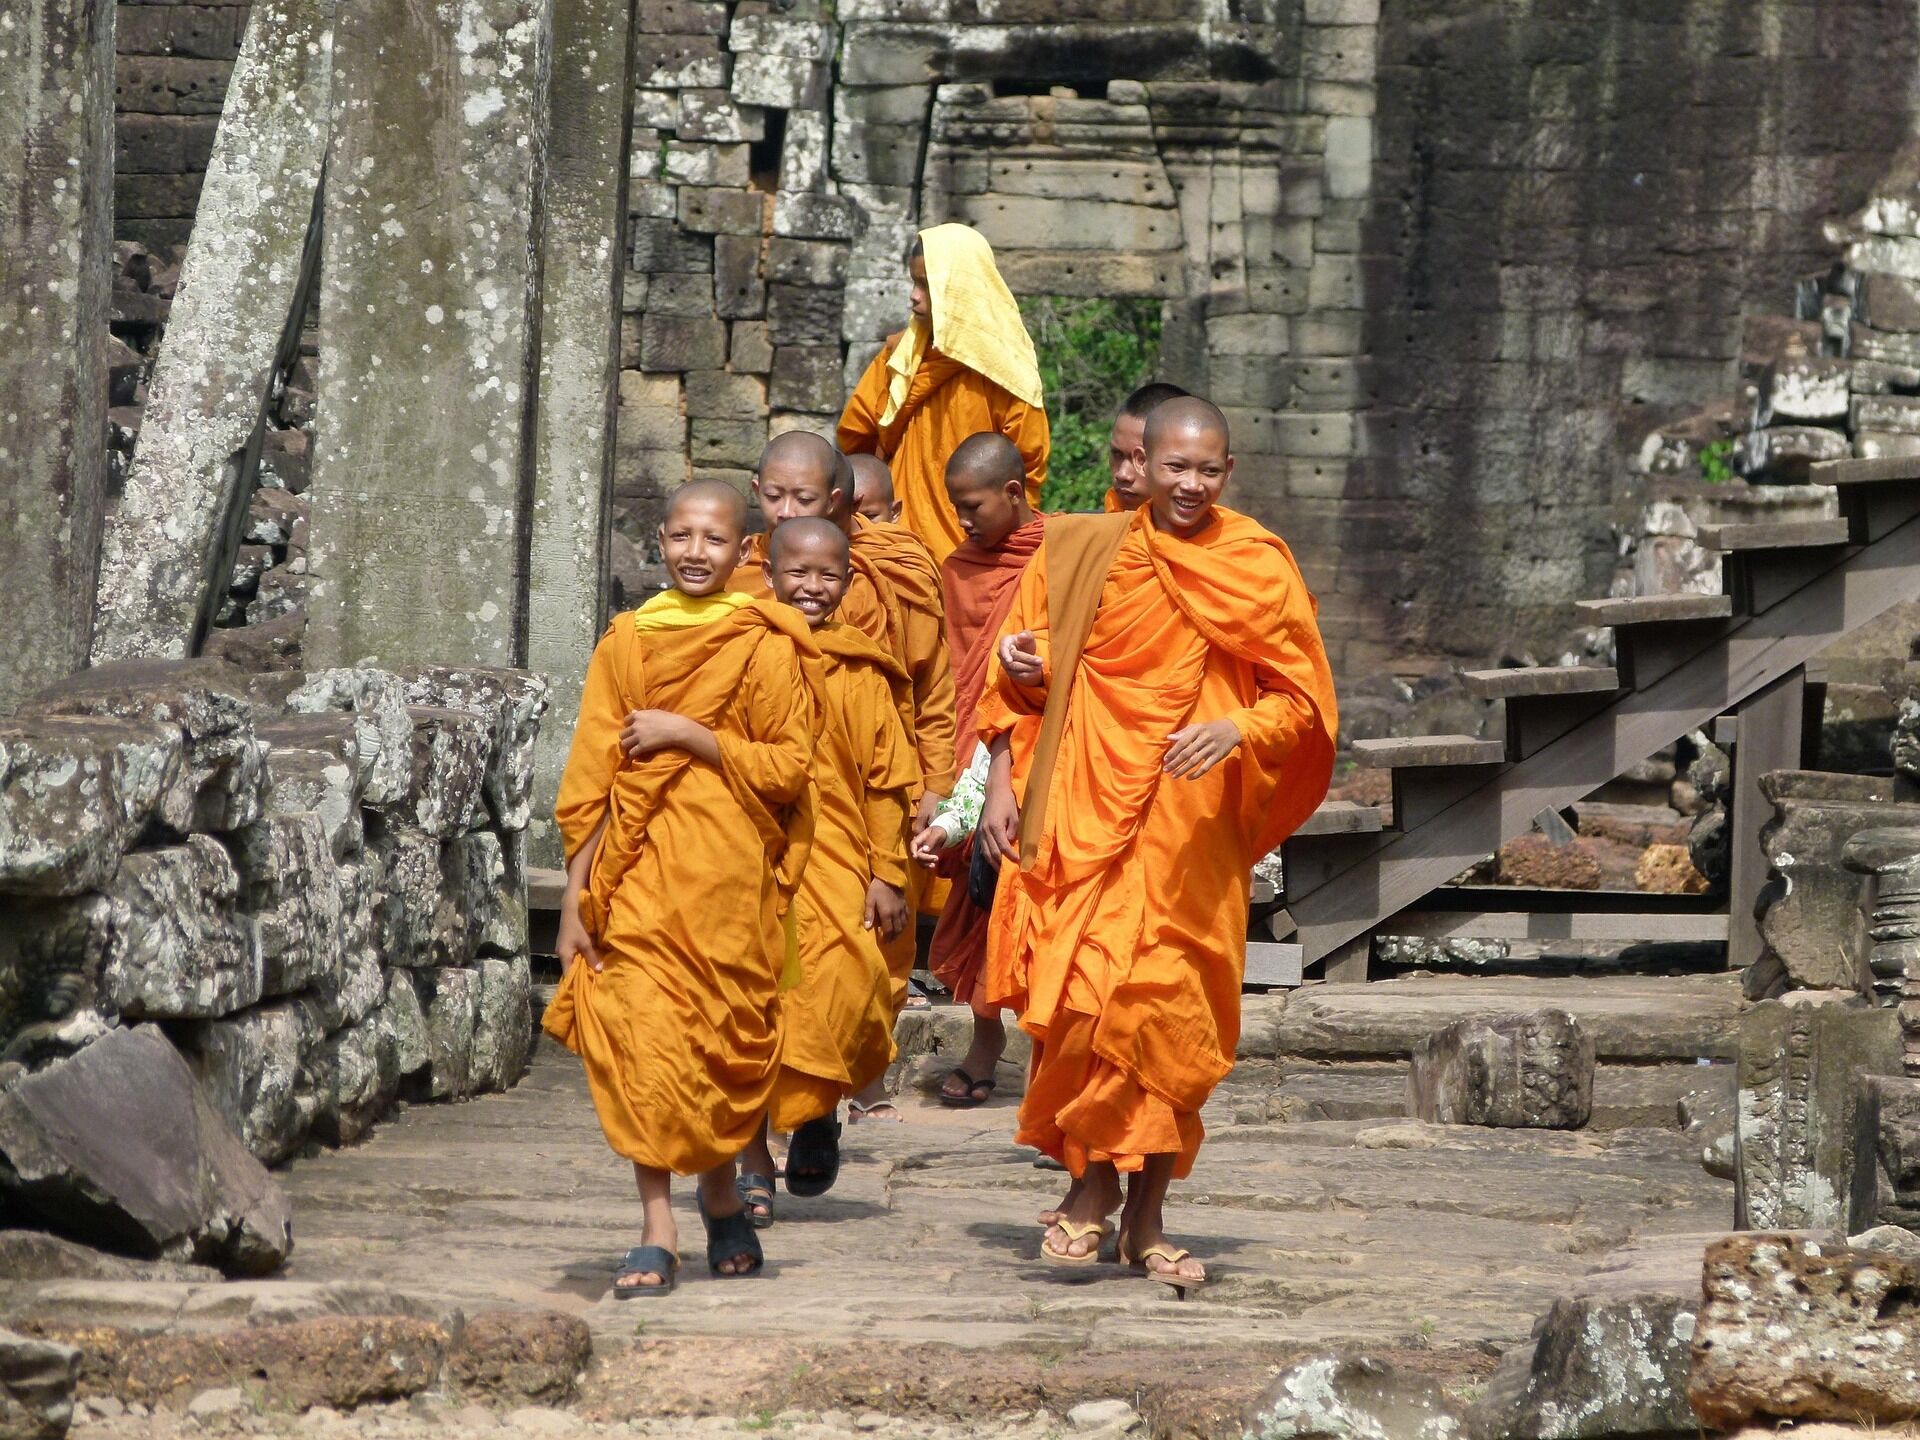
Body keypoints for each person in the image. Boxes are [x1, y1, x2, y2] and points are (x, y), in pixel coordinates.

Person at [976, 398, 1337, 1293]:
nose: (1189, 484)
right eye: (1173, 467)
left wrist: (1236, 728)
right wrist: (1022, 691)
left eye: (1207, 470)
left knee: (1169, 1016)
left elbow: (1301, 702)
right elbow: (1021, 682)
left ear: (1228, 472)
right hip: (1087, 816)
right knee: (1095, 1007)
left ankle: (1133, 1215)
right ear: (1143, 463)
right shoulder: (1087, 551)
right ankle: (1103, 1197)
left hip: (1191, 832)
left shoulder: (1254, 564)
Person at [542, 479, 821, 1298]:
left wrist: (694, 736)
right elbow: (592, 778)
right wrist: (573, 901)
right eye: (682, 537)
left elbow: (789, 767)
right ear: (659, 541)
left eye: (714, 540)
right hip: (636, 881)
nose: (696, 553)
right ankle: (657, 1222)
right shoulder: (626, 643)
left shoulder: (767, 642)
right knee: (642, 1046)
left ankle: (725, 1187)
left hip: (729, 884)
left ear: (745, 552)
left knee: (719, 1048)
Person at [742, 432, 955, 1122]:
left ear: (836, 500)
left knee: (860, 967)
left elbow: (927, 689)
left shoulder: (887, 580)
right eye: (772, 497)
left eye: (801, 498)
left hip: (861, 812)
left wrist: (934, 785)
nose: (783, 510)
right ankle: (777, 1136)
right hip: (757, 827)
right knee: (764, 980)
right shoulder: (740, 587)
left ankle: (844, 1085)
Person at [733, 518, 919, 1225]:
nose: (811, 588)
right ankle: (753, 1162)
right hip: (750, 852)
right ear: (771, 574)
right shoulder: (741, 650)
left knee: (849, 981)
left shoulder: (863, 667)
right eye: (798, 574)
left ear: (849, 581)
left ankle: (816, 1111)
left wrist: (888, 873)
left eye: (828, 576)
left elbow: (884, 781)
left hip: (840, 858)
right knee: (749, 1003)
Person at [915, 432, 1046, 1108]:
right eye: (955, 509)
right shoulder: (958, 568)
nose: (963, 523)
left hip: (1041, 745)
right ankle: (986, 1041)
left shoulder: (1060, 554)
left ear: (1015, 493)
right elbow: (949, 673)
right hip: (971, 753)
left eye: (972, 507)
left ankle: (1052, 1056)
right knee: (977, 901)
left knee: (1042, 905)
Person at [838, 223, 1049, 564]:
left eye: (926, 285)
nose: (914, 296)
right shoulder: (899, 358)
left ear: (958, 291)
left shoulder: (1008, 373)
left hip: (979, 554)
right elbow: (856, 440)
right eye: (913, 282)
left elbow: (1026, 478)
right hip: (895, 550)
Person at [1104, 382, 1189, 512]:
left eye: (1141, 459)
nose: (1123, 474)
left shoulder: (1222, 531)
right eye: (1117, 455)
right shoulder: (1084, 529)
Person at [850, 453, 902, 524]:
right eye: (850, 518)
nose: (858, 525)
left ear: (895, 512)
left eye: (869, 516)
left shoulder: (903, 535)